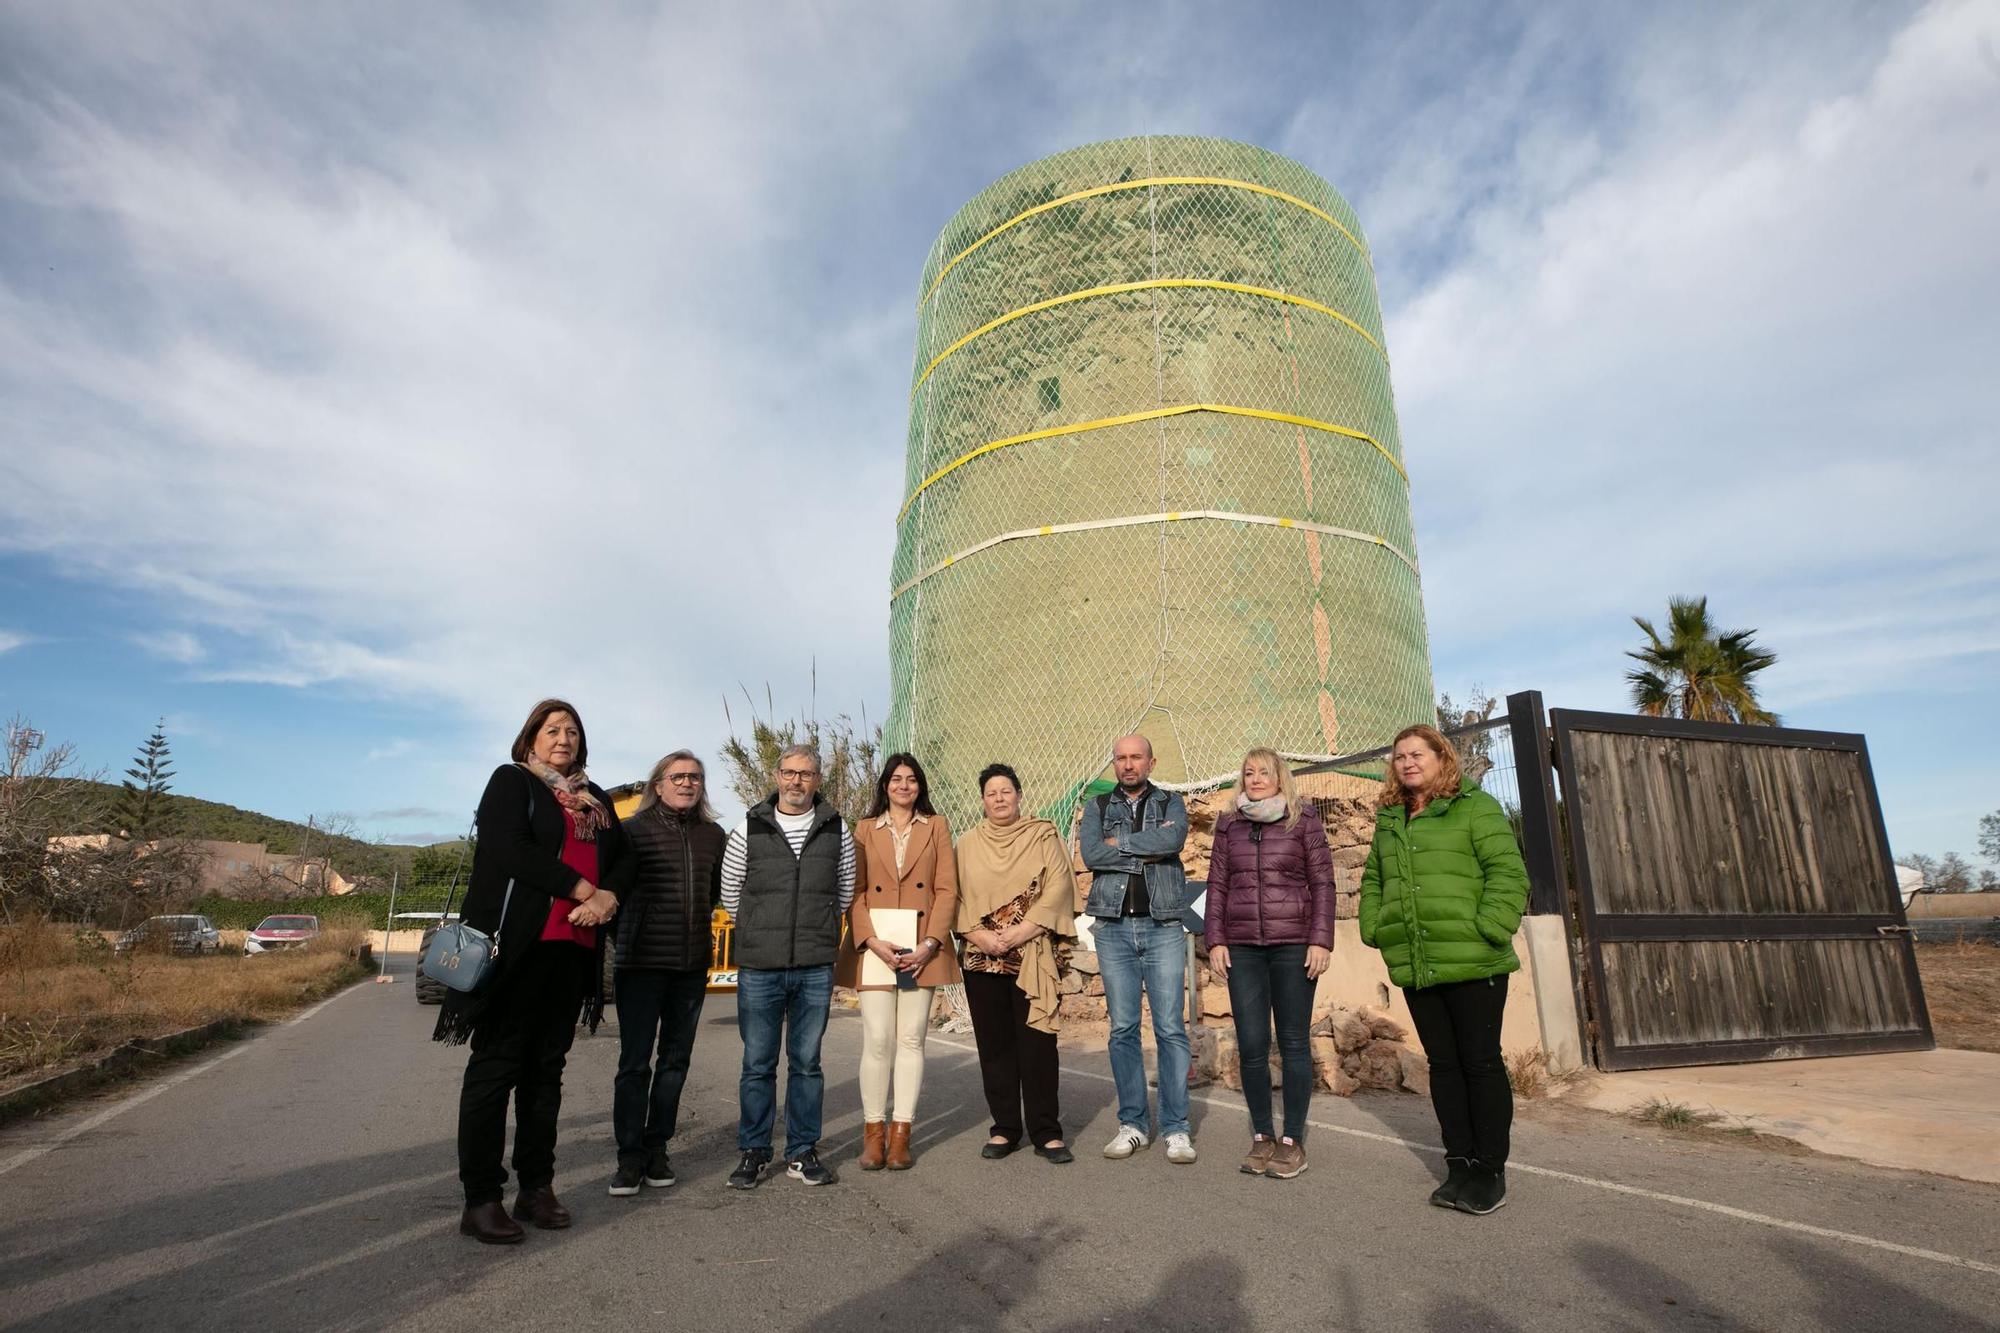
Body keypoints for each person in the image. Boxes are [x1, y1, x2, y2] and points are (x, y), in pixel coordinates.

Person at [438, 697, 632, 1244]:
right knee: (496, 1069)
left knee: (546, 1072)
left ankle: (536, 1188)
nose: (563, 739)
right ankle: (480, 1199)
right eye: (552, 730)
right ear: (529, 740)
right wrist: (581, 888)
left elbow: (624, 858)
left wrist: (608, 897)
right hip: (516, 951)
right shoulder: (512, 782)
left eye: (572, 731)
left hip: (573, 950)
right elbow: (508, 848)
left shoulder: (596, 801)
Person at [1360, 724, 1528, 1215]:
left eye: (1417, 754)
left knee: (1480, 1063)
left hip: (1475, 959)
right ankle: (1459, 1164)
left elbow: (1508, 872)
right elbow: (1374, 878)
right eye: (1399, 756)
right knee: (1446, 1067)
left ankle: (1490, 1170)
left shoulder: (1475, 807)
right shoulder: (1392, 818)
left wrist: (1489, 928)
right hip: (1418, 962)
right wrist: (1376, 925)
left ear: (1441, 757)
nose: (1408, 762)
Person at [719, 744, 856, 1189]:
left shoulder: (837, 829)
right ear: (776, 776)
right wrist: (761, 930)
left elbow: (846, 891)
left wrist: (815, 930)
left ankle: (801, 1151)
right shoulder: (749, 828)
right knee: (757, 1063)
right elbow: (731, 892)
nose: (797, 781)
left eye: (807, 774)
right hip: (761, 966)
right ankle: (754, 1151)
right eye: (790, 772)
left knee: (807, 1063)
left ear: (818, 781)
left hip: (815, 965)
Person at [1204, 747, 1333, 1181]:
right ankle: (1262, 1135)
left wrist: (1321, 939)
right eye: (1248, 772)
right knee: (1252, 1045)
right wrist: (1216, 939)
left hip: (1294, 944)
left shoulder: (1304, 821)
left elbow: (1323, 883)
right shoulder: (1229, 825)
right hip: (1242, 948)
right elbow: (1217, 885)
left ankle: (1292, 1141)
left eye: (1264, 772)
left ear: (1281, 776)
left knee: (1295, 1042)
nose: (1255, 778)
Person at [833, 753, 961, 1171]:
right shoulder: (865, 829)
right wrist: (869, 940)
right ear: (884, 785)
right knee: (877, 1040)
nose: (903, 786)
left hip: (921, 950)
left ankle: (901, 1133)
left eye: (911, 780)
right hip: (877, 948)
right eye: (896, 779)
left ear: (920, 786)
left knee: (911, 1040)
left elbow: (946, 890)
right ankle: (873, 1133)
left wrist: (930, 942)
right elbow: (856, 891)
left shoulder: (937, 826)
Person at [608, 750, 724, 1197]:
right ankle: (629, 1157)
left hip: (691, 967)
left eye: (695, 777)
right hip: (639, 966)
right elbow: (612, 896)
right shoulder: (631, 833)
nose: (687, 783)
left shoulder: (714, 835)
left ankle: (658, 1147)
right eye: (678, 776)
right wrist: (630, 938)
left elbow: (714, 894)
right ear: (658, 785)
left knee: (675, 1062)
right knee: (634, 1065)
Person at [955, 763, 1081, 1165]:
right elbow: (952, 896)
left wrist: (1020, 931)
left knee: (1038, 1044)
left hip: (1031, 953)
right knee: (994, 1046)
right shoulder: (966, 845)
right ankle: (1005, 1127)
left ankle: (1046, 1131)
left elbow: (1060, 884)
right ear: (982, 801)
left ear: (1019, 795)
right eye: (991, 793)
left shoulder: (1042, 835)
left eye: (1006, 791)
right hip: (981, 956)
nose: (999, 798)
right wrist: (980, 936)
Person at [1079, 734, 1195, 1164]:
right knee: (1123, 1029)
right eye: (1121, 758)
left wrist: (1120, 845)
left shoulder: (1171, 804)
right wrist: (1144, 848)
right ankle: (1132, 1124)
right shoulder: (1097, 807)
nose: (1128, 765)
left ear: (1151, 761)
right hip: (1113, 928)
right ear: (1114, 764)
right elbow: (1091, 854)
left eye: (1136, 757)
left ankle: (1176, 1128)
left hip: (1162, 924)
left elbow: (1173, 842)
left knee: (1170, 1029)